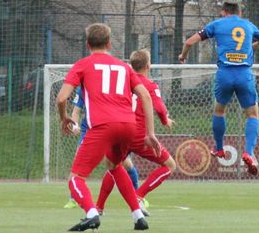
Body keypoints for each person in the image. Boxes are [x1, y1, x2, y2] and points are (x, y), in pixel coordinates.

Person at [56, 23, 160, 232]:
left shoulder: (83, 64)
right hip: (128, 125)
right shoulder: (124, 67)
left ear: (87, 44)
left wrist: (64, 118)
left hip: (103, 126)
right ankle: (138, 216)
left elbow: (61, 98)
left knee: (75, 178)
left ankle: (92, 213)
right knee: (115, 166)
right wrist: (150, 133)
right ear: (110, 43)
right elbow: (146, 96)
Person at [178, 0, 259, 175]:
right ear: (240, 10)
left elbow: (189, 41)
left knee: (219, 111)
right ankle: (249, 152)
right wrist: (251, 47)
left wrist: (183, 56)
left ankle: (219, 147)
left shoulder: (216, 24)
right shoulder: (248, 25)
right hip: (244, 74)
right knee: (252, 114)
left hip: (225, 74)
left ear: (223, 11)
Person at [96, 49, 176, 213]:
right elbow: (160, 108)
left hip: (120, 132)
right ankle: (139, 195)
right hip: (140, 136)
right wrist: (165, 120)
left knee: (113, 166)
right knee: (169, 165)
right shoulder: (150, 85)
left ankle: (99, 207)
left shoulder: (123, 82)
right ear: (148, 65)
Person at [63, 91, 142, 210]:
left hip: (108, 127)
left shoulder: (110, 85)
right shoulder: (83, 87)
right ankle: (74, 198)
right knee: (77, 160)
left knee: (124, 163)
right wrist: (75, 125)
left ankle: (138, 196)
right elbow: (76, 110)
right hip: (88, 130)